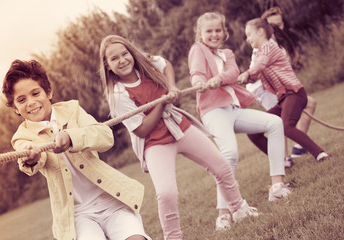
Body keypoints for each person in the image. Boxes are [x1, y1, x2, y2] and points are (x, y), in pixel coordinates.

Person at [99, 34, 258, 239]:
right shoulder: (118, 94)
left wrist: (171, 86)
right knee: (166, 193)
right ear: (108, 65)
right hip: (155, 142)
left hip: (179, 127)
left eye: (124, 54)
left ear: (131, 53)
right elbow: (141, 130)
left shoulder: (146, 64)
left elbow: (165, 64)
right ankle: (173, 237)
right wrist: (162, 102)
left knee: (221, 166)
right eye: (114, 58)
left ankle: (240, 210)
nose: (122, 60)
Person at [2, 59, 151, 240]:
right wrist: (32, 156)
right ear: (15, 108)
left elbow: (105, 136)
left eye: (35, 93)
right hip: (78, 215)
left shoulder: (72, 109)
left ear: (48, 92)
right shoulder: (22, 136)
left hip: (111, 200)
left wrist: (72, 138)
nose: (31, 102)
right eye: (21, 100)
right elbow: (27, 157)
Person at [188, 12, 291, 231]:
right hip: (213, 111)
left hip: (233, 109)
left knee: (274, 123)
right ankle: (224, 215)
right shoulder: (198, 49)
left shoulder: (227, 53)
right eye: (209, 31)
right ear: (200, 33)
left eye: (218, 30)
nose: (214, 34)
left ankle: (277, 187)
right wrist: (200, 82)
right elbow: (196, 72)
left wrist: (220, 78)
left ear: (224, 33)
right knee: (230, 154)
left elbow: (234, 72)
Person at [237, 18, 331, 163]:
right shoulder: (259, 53)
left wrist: (248, 73)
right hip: (283, 99)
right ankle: (281, 159)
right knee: (253, 133)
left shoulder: (269, 47)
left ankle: (320, 154)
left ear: (260, 32)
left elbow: (260, 65)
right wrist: (239, 79)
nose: (248, 39)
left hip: (294, 94)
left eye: (249, 34)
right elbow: (256, 74)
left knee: (286, 126)